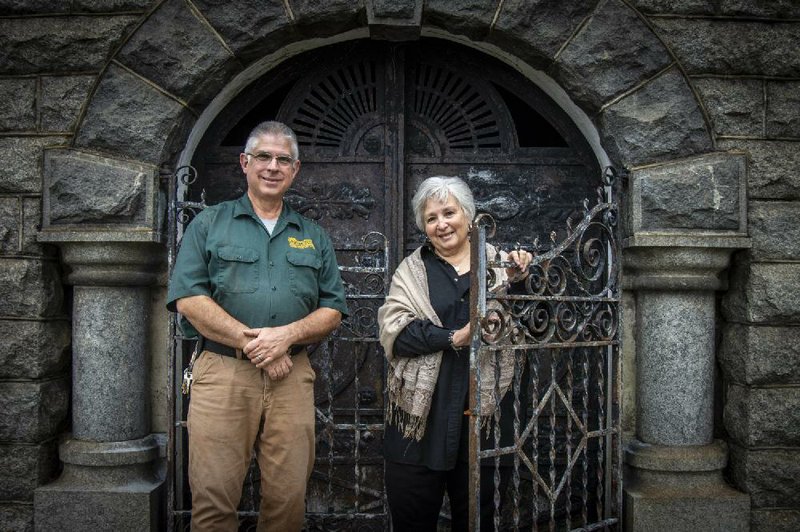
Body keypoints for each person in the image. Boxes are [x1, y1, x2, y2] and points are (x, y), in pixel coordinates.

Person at [166, 121, 348, 532]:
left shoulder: (313, 235)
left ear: (295, 169)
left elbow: (333, 309)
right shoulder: (210, 224)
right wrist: (257, 347)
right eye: (263, 157)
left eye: (283, 159)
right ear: (245, 163)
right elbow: (189, 299)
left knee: (287, 503)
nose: (273, 166)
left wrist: (285, 337)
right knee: (213, 502)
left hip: (291, 377)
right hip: (223, 374)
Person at [377, 176, 532, 531]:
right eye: (431, 218)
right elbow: (395, 332)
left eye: (449, 212)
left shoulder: (502, 267)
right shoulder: (412, 272)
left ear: (469, 216)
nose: (441, 223)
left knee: (480, 522)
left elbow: (534, 326)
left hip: (486, 421)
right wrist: (452, 338)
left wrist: (522, 280)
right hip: (417, 425)